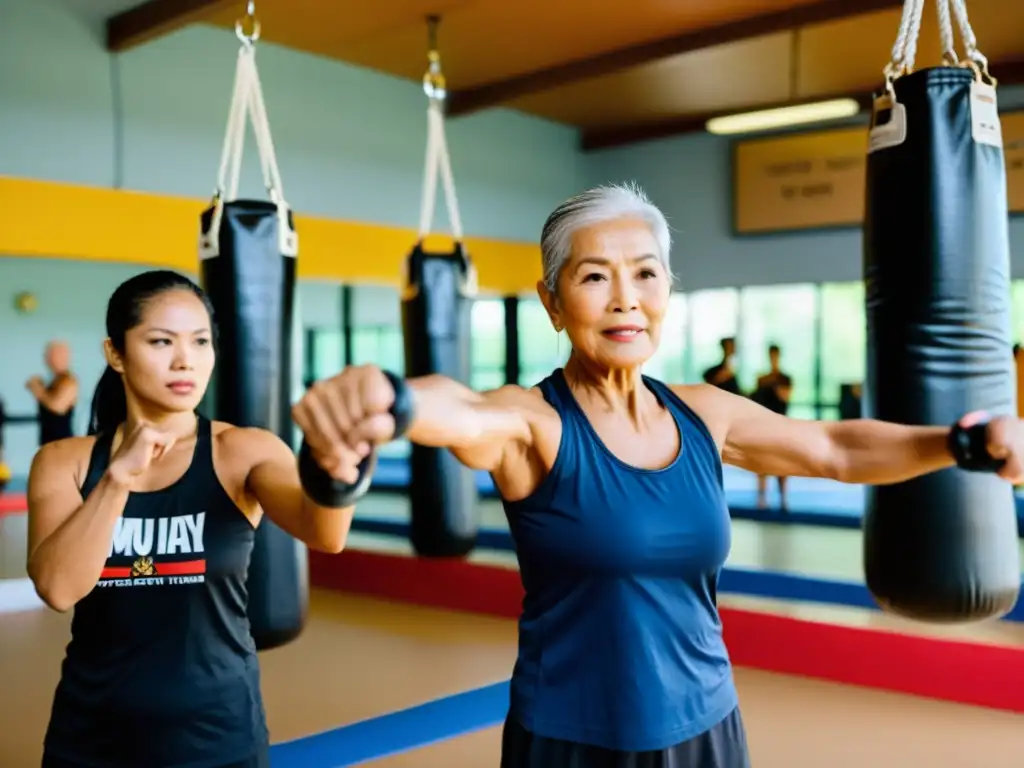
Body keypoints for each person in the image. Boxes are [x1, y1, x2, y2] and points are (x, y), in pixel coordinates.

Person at [300, 183, 1024, 768]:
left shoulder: (704, 414)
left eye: (645, 272)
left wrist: (961, 442)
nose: (625, 297)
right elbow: (461, 410)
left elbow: (833, 447)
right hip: (571, 740)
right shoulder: (536, 424)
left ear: (667, 290)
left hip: (706, 728)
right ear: (553, 302)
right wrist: (390, 396)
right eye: (593, 276)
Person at [25, 270, 386, 768]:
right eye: (161, 341)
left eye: (200, 342)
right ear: (116, 354)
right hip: (91, 738)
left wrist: (337, 471)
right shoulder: (64, 462)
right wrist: (116, 481)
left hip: (217, 735)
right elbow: (58, 589)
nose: (184, 360)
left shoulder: (243, 451)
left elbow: (326, 534)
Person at [751, 344, 793, 510]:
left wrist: (774, 382)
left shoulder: (784, 378)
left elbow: (785, 397)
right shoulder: (762, 379)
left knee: (782, 464)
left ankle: (783, 499)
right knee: (761, 463)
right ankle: (762, 498)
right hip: (764, 425)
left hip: (780, 425)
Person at [26, 340, 80, 446]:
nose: (46, 358)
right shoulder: (54, 381)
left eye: (51, 354)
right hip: (48, 443)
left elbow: (58, 406)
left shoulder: (69, 381)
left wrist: (38, 390)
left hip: (62, 444)